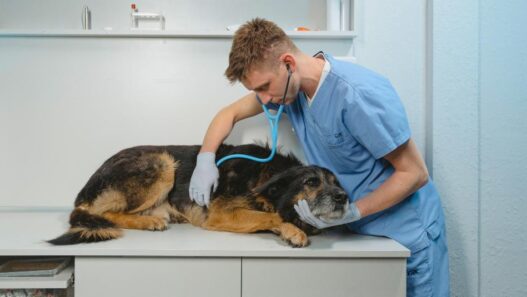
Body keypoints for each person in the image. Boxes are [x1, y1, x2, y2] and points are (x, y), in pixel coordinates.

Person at [189, 18, 449, 296]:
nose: (263, 100)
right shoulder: (292, 90)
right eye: (256, 92)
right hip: (358, 235)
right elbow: (229, 114)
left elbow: (415, 173)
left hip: (404, 234)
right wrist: (206, 157)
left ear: (288, 63)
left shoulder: (356, 95)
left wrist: (354, 211)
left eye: (264, 87)